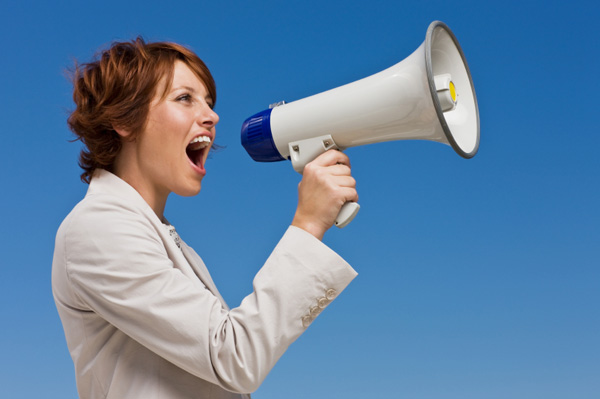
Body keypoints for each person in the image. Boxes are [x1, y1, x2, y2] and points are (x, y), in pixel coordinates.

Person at [52, 37, 359, 399]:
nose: (212, 117)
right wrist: (308, 224)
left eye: (209, 104)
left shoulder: (158, 236)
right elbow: (232, 356)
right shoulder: (97, 228)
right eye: (185, 98)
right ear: (125, 119)